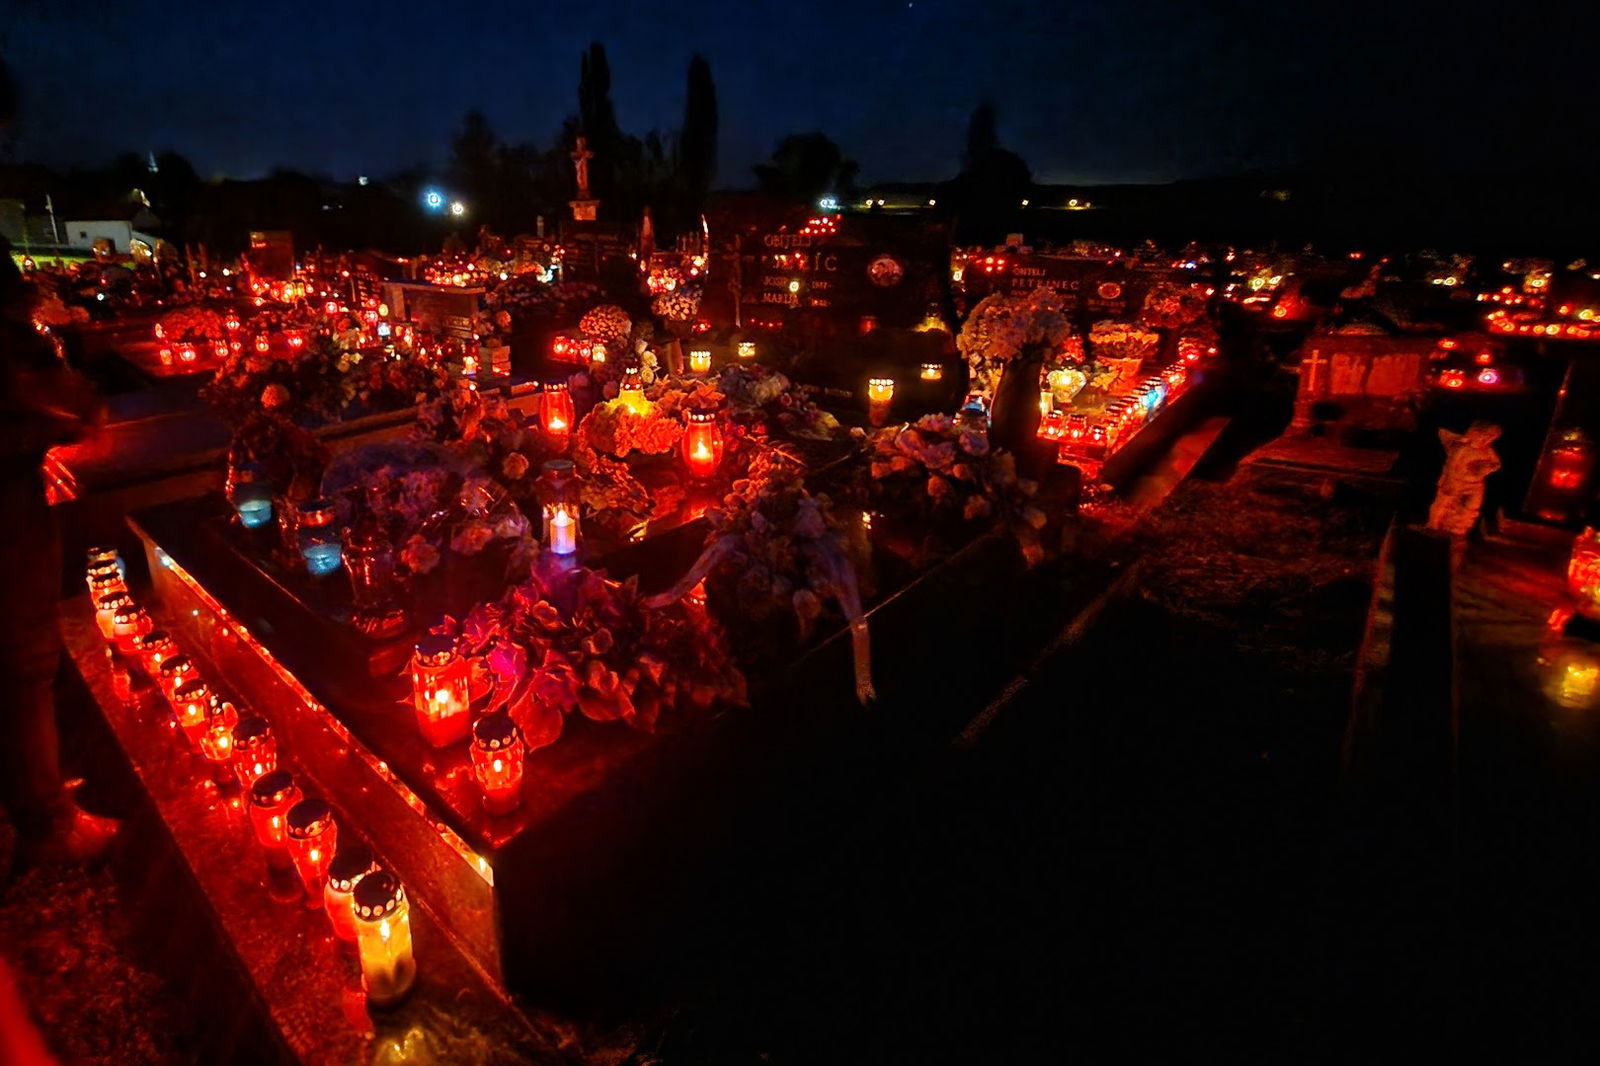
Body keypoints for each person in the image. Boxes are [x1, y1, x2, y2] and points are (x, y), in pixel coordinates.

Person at [0, 239, 119, 881]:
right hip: (7, 522)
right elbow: (72, 403)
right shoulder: (11, 341)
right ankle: (45, 822)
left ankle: (36, 798)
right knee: (23, 664)